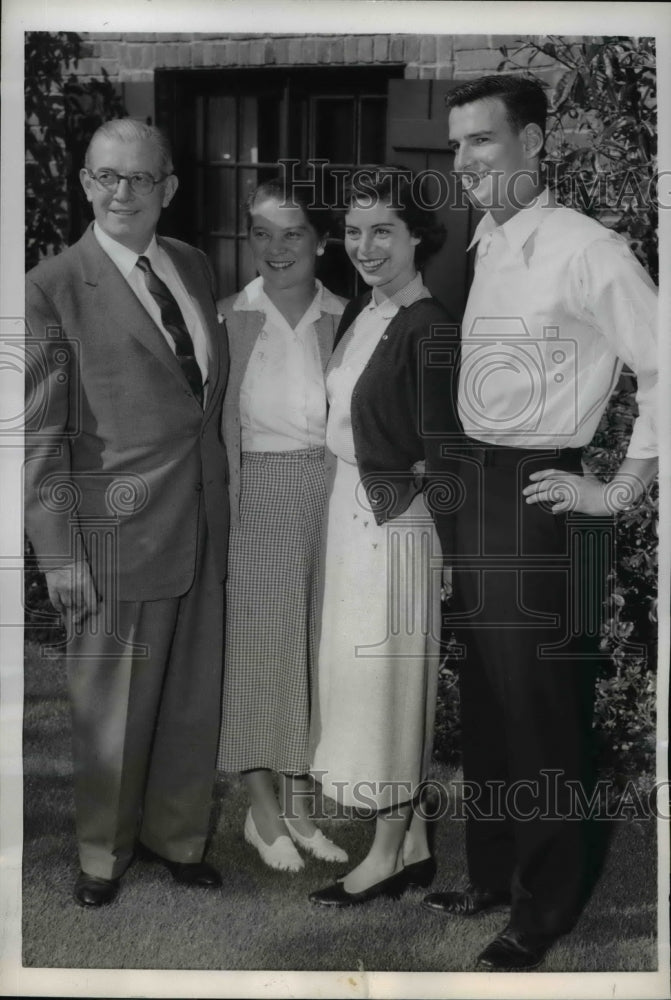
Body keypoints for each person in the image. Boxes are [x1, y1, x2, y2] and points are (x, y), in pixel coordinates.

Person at [422, 76, 658, 970]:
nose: (464, 163)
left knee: (542, 712)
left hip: (540, 491)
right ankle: (490, 874)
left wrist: (617, 489)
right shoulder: (487, 242)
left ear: (533, 145)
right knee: (485, 699)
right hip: (476, 483)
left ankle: (544, 909)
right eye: (456, 146)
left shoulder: (585, 249)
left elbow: (662, 362)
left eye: (481, 142)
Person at [24, 119, 230, 907]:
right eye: (106, 177)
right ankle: (102, 856)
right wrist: (60, 552)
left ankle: (176, 837)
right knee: (111, 704)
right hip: (112, 533)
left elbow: (198, 402)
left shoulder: (192, 265)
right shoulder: (48, 286)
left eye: (139, 179)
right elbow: (40, 436)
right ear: (84, 184)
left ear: (167, 189)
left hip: (202, 518)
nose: (121, 192)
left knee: (188, 690)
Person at [308, 166, 458, 907]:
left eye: (382, 232)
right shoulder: (359, 315)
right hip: (349, 512)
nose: (364, 246)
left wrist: (442, 548)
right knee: (359, 683)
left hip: (396, 526)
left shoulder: (430, 328)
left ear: (418, 238)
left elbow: (446, 453)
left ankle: (386, 854)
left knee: (389, 685)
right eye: (354, 231)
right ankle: (417, 842)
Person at [217, 177, 348, 871]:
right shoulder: (226, 318)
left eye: (291, 232)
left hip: (330, 495)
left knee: (312, 654)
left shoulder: (347, 318)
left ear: (321, 240)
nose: (274, 247)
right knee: (260, 655)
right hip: (257, 498)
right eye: (260, 232)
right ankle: (261, 813)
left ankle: (301, 811)